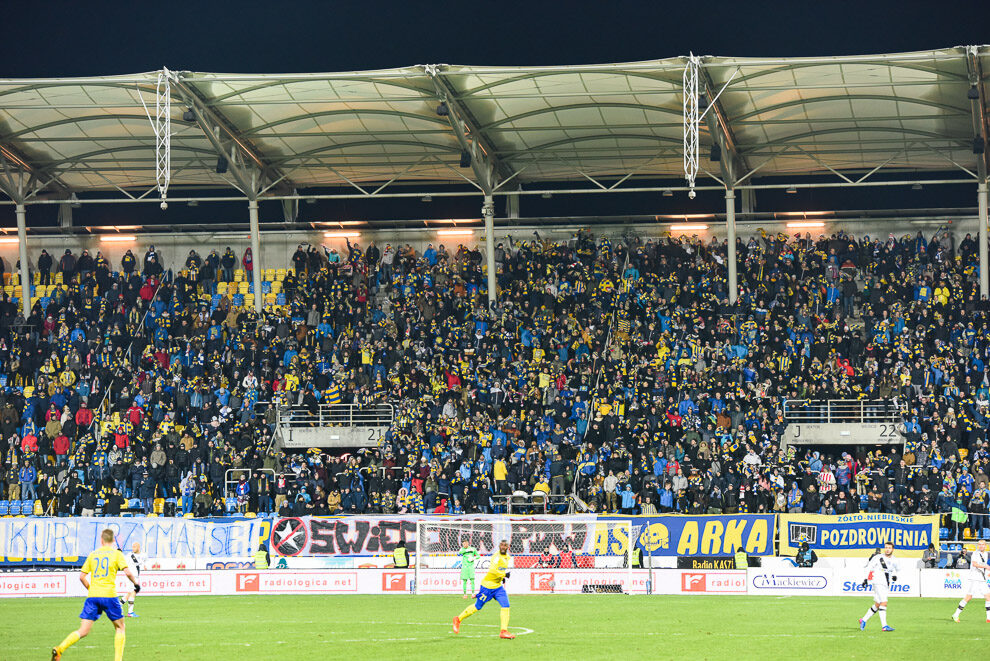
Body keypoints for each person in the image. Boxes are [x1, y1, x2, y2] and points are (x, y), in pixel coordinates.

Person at [52, 528, 140, 661]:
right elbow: (127, 572)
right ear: (112, 540)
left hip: (93, 597)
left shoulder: (93, 554)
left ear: (101, 540)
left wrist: (91, 589)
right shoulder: (116, 554)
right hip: (109, 595)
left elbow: (82, 577)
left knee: (83, 631)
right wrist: (136, 584)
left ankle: (60, 649)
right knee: (120, 627)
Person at [452, 539, 515, 639]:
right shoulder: (496, 556)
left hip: (498, 587)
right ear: (499, 546)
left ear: (508, 547)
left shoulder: (508, 557)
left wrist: (501, 578)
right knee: (478, 606)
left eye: (505, 545)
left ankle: (503, 631)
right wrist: (504, 575)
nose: (503, 547)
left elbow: (499, 570)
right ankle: (458, 619)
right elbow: (493, 570)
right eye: (501, 545)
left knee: (506, 605)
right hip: (487, 586)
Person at [858, 541, 898, 632]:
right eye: (886, 547)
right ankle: (884, 626)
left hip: (885, 583)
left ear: (892, 549)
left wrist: (894, 575)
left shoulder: (894, 559)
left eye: (889, 548)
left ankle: (863, 620)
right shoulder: (878, 557)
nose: (887, 549)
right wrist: (865, 579)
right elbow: (869, 567)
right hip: (878, 582)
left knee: (878, 604)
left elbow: (894, 569)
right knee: (884, 602)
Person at [952, 538, 990, 623]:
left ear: (985, 546)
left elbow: (984, 564)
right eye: (979, 544)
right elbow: (974, 564)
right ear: (978, 546)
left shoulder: (986, 554)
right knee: (969, 597)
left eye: (983, 544)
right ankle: (956, 614)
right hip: (975, 578)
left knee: (988, 597)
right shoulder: (975, 554)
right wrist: (986, 567)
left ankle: (988, 618)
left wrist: (987, 567)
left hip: (982, 578)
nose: (981, 546)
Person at [121, 542, 146, 618]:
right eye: (132, 546)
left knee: (131, 592)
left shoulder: (143, 555)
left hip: (136, 576)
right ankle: (128, 611)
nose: (133, 548)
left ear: (139, 547)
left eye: (135, 546)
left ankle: (125, 609)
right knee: (132, 592)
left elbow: (144, 563)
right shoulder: (129, 556)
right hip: (131, 576)